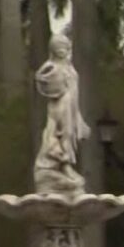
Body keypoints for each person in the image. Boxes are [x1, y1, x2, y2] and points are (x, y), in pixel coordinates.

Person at [33, 34, 89, 196]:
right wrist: (43, 76)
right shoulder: (52, 65)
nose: (62, 51)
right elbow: (40, 77)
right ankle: (64, 165)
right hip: (60, 105)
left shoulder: (69, 67)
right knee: (63, 134)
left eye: (64, 47)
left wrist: (80, 118)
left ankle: (65, 166)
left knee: (69, 135)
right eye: (58, 48)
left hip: (71, 105)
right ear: (53, 50)